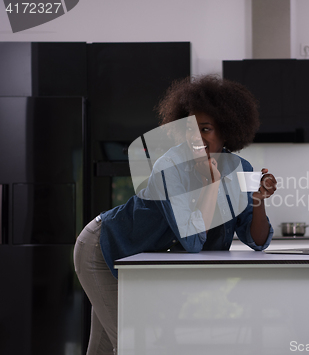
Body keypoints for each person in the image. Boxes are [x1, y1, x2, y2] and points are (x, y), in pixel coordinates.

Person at [73, 75, 277, 355]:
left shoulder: (240, 168)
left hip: (131, 254)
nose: (196, 137)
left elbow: (257, 241)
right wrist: (211, 185)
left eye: (205, 129)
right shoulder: (170, 165)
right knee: (129, 343)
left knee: (105, 346)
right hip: (102, 247)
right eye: (190, 129)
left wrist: (257, 202)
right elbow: (192, 242)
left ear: (227, 131)